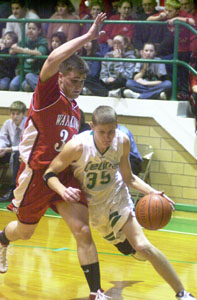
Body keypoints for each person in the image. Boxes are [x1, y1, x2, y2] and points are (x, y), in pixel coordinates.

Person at [0, 12, 108, 300]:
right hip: (35, 175)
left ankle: (96, 292)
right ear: (61, 78)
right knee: (24, 232)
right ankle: (2, 240)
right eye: (73, 80)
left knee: (83, 229)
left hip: (62, 175)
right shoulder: (47, 96)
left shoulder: (75, 110)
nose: (78, 86)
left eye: (82, 81)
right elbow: (50, 61)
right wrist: (87, 37)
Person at [44, 105, 196, 300]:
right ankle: (129, 249)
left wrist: (154, 192)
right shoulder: (77, 146)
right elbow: (49, 173)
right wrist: (63, 190)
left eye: (111, 131)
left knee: (143, 246)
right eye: (102, 132)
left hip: (118, 197)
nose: (107, 137)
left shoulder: (122, 141)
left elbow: (129, 178)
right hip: (95, 207)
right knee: (127, 249)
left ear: (117, 126)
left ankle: (182, 293)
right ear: (92, 126)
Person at [147, 0, 195, 100]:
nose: (167, 13)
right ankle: (174, 89)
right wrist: (159, 17)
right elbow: (148, 19)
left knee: (183, 70)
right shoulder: (165, 14)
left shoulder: (182, 14)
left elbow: (192, 21)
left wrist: (177, 19)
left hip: (188, 48)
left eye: (170, 11)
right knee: (166, 63)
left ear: (177, 11)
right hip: (178, 49)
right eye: (166, 10)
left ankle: (183, 92)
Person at [9, 22, 48, 92]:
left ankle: (44, 95)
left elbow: (40, 53)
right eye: (29, 28)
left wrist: (22, 50)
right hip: (22, 72)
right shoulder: (25, 40)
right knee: (13, 85)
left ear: (39, 30)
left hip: (35, 73)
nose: (30, 31)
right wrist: (13, 49)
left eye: (33, 29)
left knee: (26, 85)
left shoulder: (42, 41)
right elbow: (12, 50)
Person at [0, 101, 27, 203]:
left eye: (18, 114)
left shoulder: (28, 124)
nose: (15, 116)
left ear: (23, 114)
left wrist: (8, 149)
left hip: (24, 152)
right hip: (10, 150)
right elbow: (2, 138)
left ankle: (12, 190)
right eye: (13, 113)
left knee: (16, 155)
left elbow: (25, 145)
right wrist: (1, 148)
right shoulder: (8, 123)